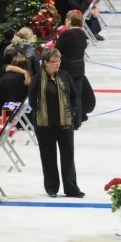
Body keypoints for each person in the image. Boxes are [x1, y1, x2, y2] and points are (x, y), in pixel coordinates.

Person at [27, 48, 83, 198]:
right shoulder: (37, 79)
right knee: (48, 156)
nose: (57, 65)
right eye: (54, 62)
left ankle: (71, 188)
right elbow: (32, 101)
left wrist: (72, 110)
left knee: (68, 156)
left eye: (59, 62)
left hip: (64, 124)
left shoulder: (65, 76)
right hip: (45, 126)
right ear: (45, 63)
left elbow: (75, 95)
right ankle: (52, 187)